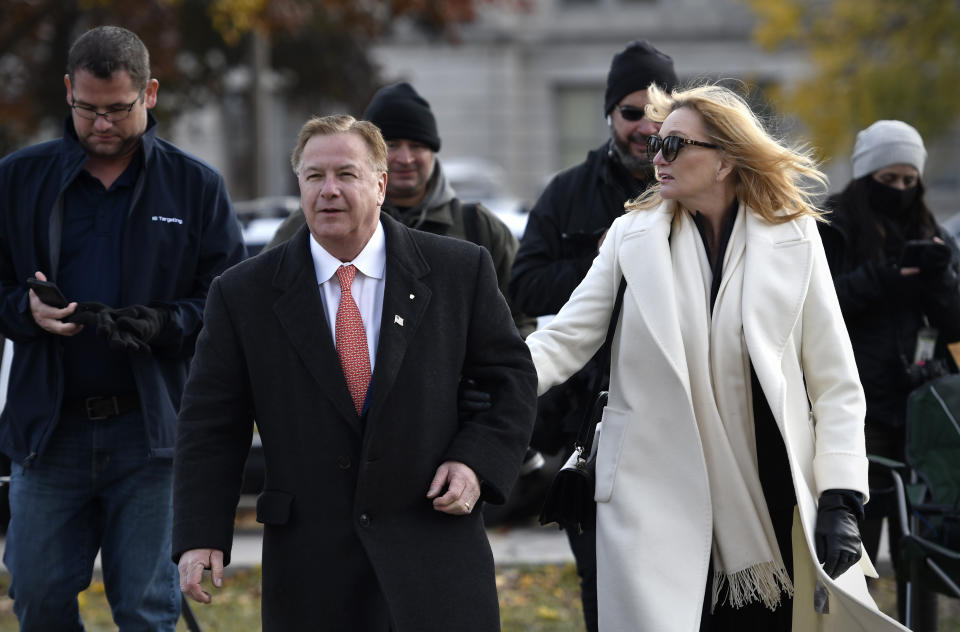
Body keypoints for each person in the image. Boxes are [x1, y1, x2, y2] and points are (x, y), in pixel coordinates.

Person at [524, 82, 908, 631]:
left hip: (771, 495)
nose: (658, 157)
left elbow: (834, 382)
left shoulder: (794, 238)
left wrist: (842, 498)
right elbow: (563, 340)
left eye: (676, 145)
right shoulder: (629, 237)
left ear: (725, 160)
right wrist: (493, 378)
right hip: (650, 494)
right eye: (658, 143)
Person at [173, 114, 537, 631]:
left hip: (433, 548)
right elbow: (210, 425)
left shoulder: (459, 270)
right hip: (312, 567)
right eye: (313, 176)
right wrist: (200, 533)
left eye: (346, 174)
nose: (328, 191)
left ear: (381, 184)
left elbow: (512, 381)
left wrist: (475, 463)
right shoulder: (243, 294)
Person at [0, 26, 246, 630]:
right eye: (87, 109)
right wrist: (23, 313)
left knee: (145, 605)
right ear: (67, 92)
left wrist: (164, 323)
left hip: (152, 436)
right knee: (35, 596)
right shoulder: (17, 180)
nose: (101, 124)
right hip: (47, 431)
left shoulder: (196, 186)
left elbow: (230, 304)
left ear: (151, 94)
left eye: (117, 109)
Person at [508, 39, 677, 630]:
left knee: (678, 575)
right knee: (601, 577)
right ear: (610, 114)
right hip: (588, 420)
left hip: (675, 418)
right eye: (632, 112)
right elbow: (524, 286)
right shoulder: (566, 193)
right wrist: (607, 264)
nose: (645, 127)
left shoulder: (695, 190)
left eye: (660, 112)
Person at [819, 120, 960, 631]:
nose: (900, 191)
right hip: (855, 406)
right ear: (866, 174)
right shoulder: (833, 226)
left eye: (909, 181)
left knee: (918, 545)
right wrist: (884, 279)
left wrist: (938, 280)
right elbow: (819, 304)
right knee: (856, 538)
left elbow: (956, 323)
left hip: (920, 410)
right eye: (889, 179)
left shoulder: (932, 232)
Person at [265, 81, 535, 338]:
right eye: (392, 145)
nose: (405, 158)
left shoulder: (478, 228)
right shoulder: (313, 222)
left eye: (417, 146)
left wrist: (498, 379)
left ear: (432, 151)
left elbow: (521, 317)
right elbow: (263, 298)